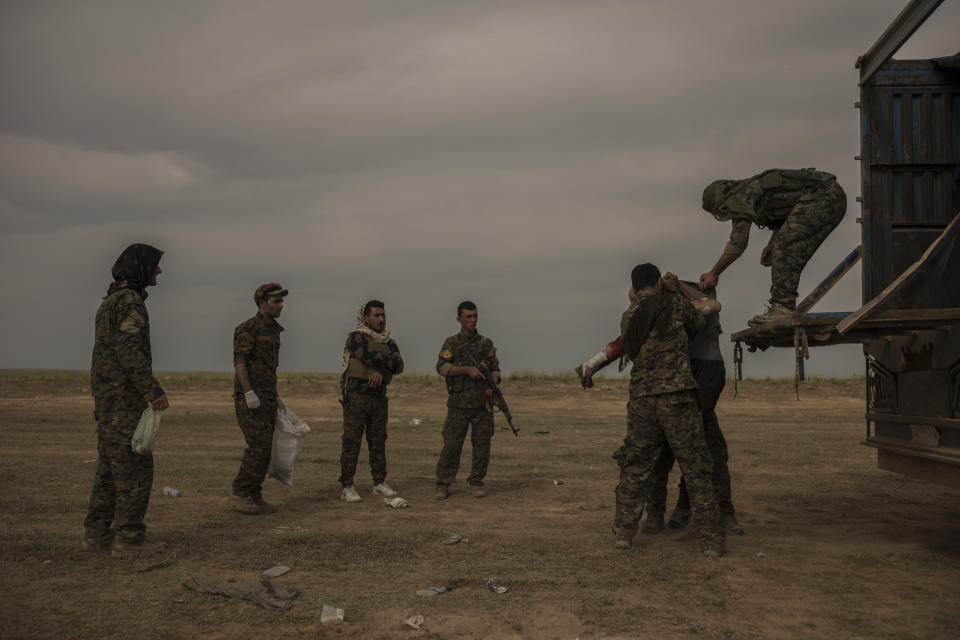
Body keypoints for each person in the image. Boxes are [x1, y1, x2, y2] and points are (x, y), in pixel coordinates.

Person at [576, 278, 743, 536]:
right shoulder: (656, 311)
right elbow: (624, 340)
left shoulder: (680, 303)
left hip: (700, 376)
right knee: (670, 453)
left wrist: (678, 290)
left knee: (706, 449)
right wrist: (593, 362)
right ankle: (663, 514)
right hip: (677, 388)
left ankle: (714, 512)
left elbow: (713, 305)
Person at [612, 264, 724, 557]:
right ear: (658, 283)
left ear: (635, 289)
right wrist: (675, 291)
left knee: (636, 466)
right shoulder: (676, 305)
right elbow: (700, 320)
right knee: (697, 467)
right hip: (677, 398)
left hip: (643, 401)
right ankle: (711, 540)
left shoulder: (629, 316)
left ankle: (623, 533)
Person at [83, 243, 169, 558]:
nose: (159, 271)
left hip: (106, 401)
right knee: (135, 469)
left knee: (109, 468)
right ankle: (129, 542)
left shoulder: (110, 302)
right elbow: (129, 352)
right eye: (155, 265)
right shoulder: (130, 303)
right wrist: (153, 390)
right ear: (140, 268)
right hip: (123, 402)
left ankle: (97, 535)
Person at [699, 168, 846, 324]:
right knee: (782, 245)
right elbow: (786, 214)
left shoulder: (741, 197)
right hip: (829, 197)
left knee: (784, 245)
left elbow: (737, 244)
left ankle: (782, 307)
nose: (724, 214)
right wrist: (771, 244)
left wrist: (714, 273)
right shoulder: (749, 193)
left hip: (823, 196)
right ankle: (782, 306)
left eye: (720, 210)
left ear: (723, 200)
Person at [337, 300, 404, 503]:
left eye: (383, 315)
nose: (381, 319)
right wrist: (386, 364)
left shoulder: (389, 342)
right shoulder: (356, 337)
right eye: (376, 315)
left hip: (378, 398)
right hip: (357, 396)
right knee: (352, 441)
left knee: (378, 441)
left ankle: (379, 483)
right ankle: (347, 486)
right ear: (366, 318)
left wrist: (382, 373)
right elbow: (364, 355)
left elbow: (399, 364)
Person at [434, 301, 501, 500]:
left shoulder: (486, 344)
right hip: (458, 404)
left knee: (482, 446)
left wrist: (492, 384)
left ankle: (476, 481)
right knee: (452, 446)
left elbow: (496, 370)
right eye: (468, 317)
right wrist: (467, 370)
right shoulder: (452, 343)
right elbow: (442, 367)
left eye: (475, 316)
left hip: (482, 405)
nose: (473, 320)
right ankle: (443, 484)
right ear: (459, 319)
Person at [231, 283, 288, 515]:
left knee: (266, 448)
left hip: (267, 395)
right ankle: (240, 492)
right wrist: (248, 392)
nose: (281, 305)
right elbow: (240, 362)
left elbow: (269, 366)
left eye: (281, 301)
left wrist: (274, 395)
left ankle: (254, 494)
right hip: (251, 397)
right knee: (258, 446)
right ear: (262, 303)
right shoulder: (248, 328)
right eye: (276, 301)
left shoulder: (274, 330)